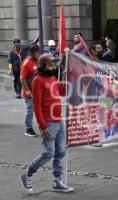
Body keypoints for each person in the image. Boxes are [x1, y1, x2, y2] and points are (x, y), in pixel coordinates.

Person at [19, 54, 74, 193]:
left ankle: (57, 181)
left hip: (59, 120)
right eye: (51, 65)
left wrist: (69, 81)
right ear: (43, 66)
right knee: (49, 152)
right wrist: (42, 126)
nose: (53, 67)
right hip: (48, 122)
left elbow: (60, 91)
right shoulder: (37, 80)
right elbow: (36, 105)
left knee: (60, 152)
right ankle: (27, 174)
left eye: (54, 65)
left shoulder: (53, 77)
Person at [20, 44, 40, 137]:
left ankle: (43, 127)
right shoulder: (26, 63)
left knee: (38, 109)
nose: (38, 54)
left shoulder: (37, 61)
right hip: (29, 92)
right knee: (30, 111)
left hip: (36, 91)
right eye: (37, 52)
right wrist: (27, 90)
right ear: (32, 53)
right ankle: (28, 129)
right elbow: (22, 78)